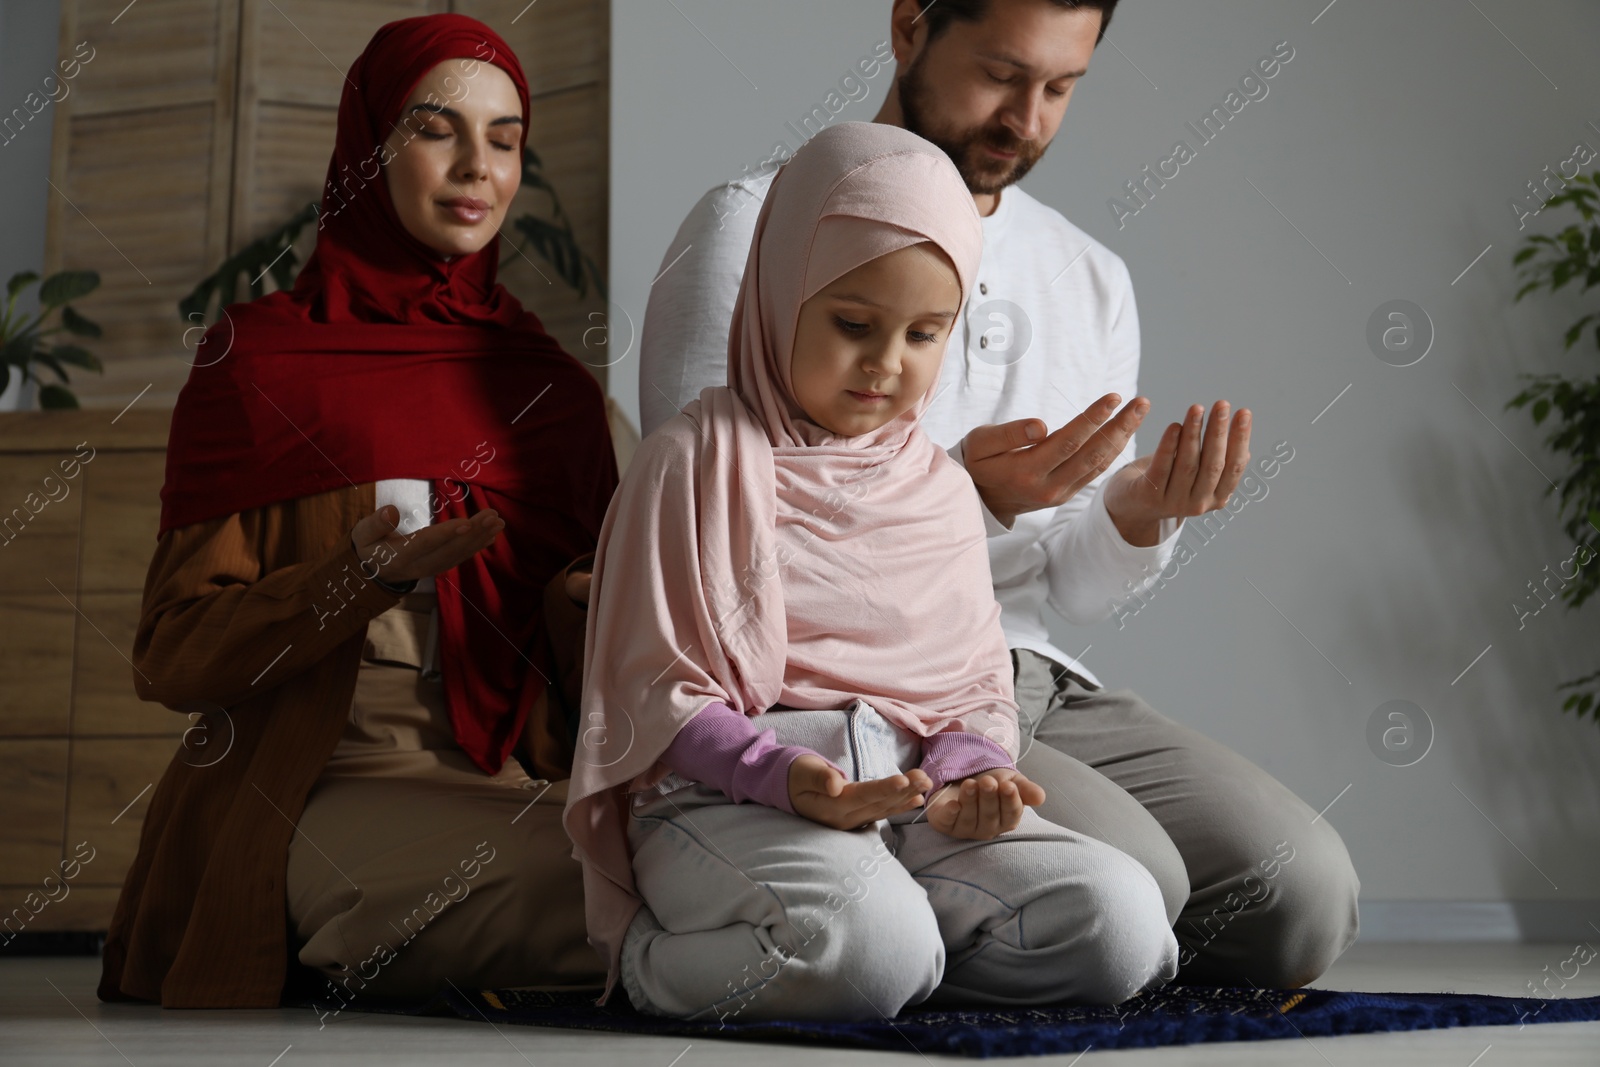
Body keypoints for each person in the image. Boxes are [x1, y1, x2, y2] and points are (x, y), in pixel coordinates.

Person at [638, 0, 1357, 988]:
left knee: (1302, 898)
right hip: (851, 678)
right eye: (1001, 74)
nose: (1026, 118)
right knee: (1140, 876)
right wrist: (966, 497)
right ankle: (898, 935)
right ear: (908, 28)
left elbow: (1074, 591)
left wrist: (1133, 516)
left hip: (1025, 671)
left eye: (1060, 87)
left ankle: (1028, 938)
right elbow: (708, 540)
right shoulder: (754, 224)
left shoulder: (1089, 276)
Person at [565, 122, 1180, 1024]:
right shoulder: (691, 460)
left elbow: (972, 682)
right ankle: (660, 961)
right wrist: (785, 776)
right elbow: (650, 695)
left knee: (1123, 924)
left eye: (926, 333)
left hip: (913, 794)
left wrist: (972, 770)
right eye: (853, 325)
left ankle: (890, 955)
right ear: (780, 297)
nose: (887, 364)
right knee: (868, 947)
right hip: (733, 795)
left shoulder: (934, 483)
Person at [98, 15, 615, 1009]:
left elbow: (580, 687)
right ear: (366, 147)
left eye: (504, 139)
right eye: (436, 129)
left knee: (701, 858)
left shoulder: (550, 390)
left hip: (524, 781)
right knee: (603, 888)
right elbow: (171, 653)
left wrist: (585, 605)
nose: (477, 167)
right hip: (319, 780)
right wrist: (358, 579)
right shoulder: (257, 364)